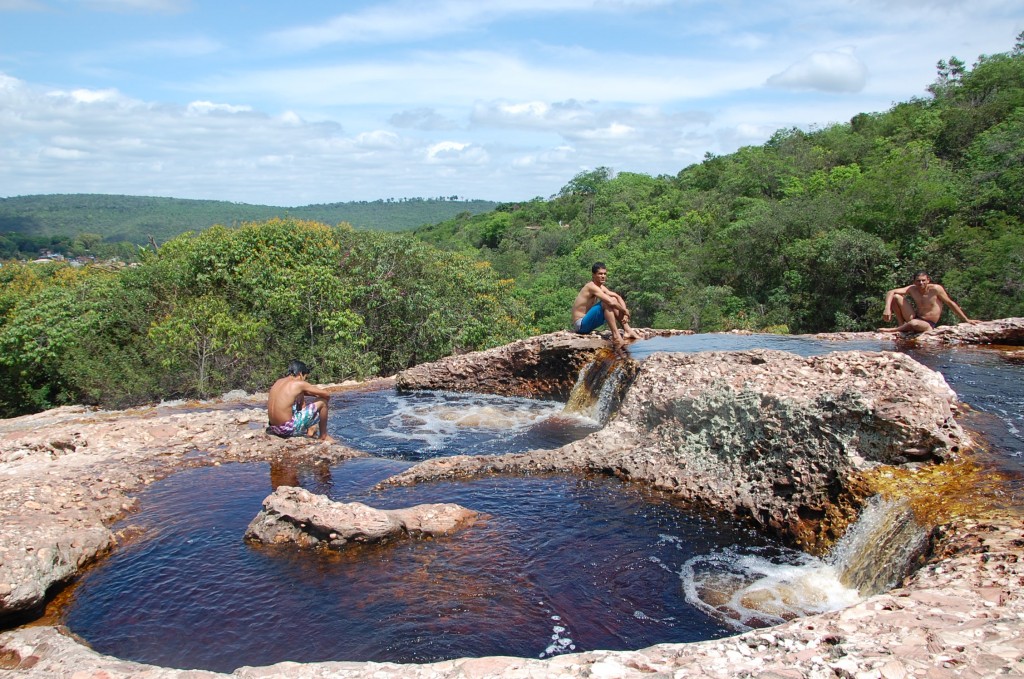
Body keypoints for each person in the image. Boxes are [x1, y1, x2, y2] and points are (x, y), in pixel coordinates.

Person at [879, 272, 979, 334]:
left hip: (928, 323)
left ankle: (895, 330)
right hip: (915, 317)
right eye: (918, 281)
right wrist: (887, 308)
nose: (921, 283)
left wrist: (966, 319)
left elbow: (950, 303)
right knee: (896, 296)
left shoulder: (935, 289)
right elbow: (890, 292)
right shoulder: (912, 289)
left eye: (923, 280)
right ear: (914, 282)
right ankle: (901, 325)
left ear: (928, 280)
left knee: (914, 323)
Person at [571, 262, 640, 352]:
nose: (603, 276)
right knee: (607, 303)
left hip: (589, 321)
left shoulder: (601, 287)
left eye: (604, 274)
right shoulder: (591, 286)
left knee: (612, 300)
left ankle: (628, 330)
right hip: (580, 324)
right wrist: (624, 311)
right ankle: (616, 337)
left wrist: (625, 312)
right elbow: (610, 302)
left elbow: (617, 297)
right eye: (600, 274)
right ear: (593, 275)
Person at [266, 360, 335, 442]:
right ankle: (323, 435)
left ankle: (310, 429)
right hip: (285, 430)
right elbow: (326, 394)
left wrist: (306, 394)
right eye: (305, 377)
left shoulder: (278, 381)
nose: (304, 380)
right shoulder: (298, 384)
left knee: (300, 395)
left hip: (274, 428)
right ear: (300, 374)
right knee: (322, 402)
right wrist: (321, 407)